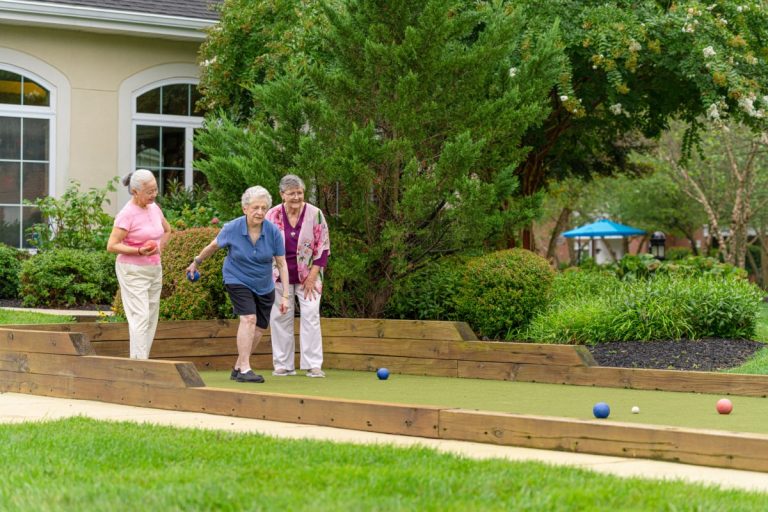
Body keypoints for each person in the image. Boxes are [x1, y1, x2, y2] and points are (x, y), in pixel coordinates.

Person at [187, 186, 290, 383]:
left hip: (264, 283)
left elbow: (282, 264)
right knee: (249, 319)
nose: (260, 212)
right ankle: (245, 369)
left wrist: (285, 295)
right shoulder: (232, 228)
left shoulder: (273, 232)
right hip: (237, 278)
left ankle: (238, 366)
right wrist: (196, 262)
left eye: (263, 208)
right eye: (255, 208)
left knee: (259, 328)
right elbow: (213, 246)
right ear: (245, 209)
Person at [266, 174, 330, 378]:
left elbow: (323, 246)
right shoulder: (272, 215)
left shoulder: (315, 214)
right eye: (291, 193)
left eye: (299, 193)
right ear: (282, 194)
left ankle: (313, 364)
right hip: (279, 275)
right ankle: (283, 364)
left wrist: (313, 275)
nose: (296, 197)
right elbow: (265, 243)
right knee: (280, 316)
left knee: (310, 315)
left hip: (309, 274)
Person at [107, 169, 171, 359]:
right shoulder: (127, 214)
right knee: (140, 316)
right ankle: (139, 364)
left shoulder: (155, 208)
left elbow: (167, 230)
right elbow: (112, 245)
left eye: (155, 190)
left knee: (151, 317)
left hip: (154, 268)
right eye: (149, 192)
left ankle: (142, 359)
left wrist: (159, 247)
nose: (154, 195)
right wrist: (138, 251)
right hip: (132, 270)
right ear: (135, 191)